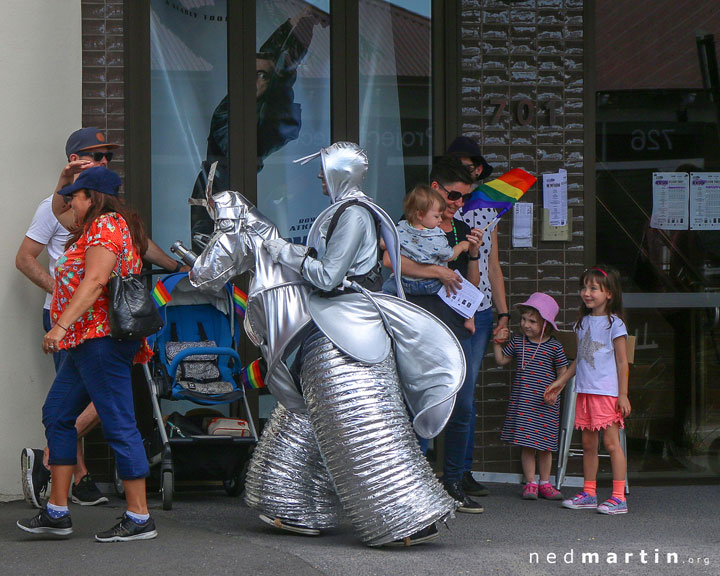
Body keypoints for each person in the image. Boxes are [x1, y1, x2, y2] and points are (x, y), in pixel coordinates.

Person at [18, 127, 185, 510]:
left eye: (74, 198)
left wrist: (59, 325)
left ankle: (138, 515)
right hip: (79, 337)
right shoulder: (88, 223)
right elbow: (56, 213)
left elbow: (94, 282)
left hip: (98, 337)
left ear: (90, 197)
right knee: (58, 413)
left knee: (117, 420)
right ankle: (57, 509)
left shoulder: (106, 227)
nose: (68, 205)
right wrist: (65, 180)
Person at [384, 157, 486, 513]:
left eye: (464, 199)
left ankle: (453, 481)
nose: (459, 204)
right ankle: (413, 481)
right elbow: (390, 262)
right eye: (455, 196)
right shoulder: (411, 224)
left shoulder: (459, 230)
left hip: (453, 315)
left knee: (461, 401)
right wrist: (437, 272)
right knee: (414, 396)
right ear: (438, 190)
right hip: (415, 312)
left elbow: (471, 284)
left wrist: (473, 253)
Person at [449, 136, 510, 500]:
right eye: (464, 163)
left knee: (468, 392)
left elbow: (493, 265)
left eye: (476, 166)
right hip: (450, 307)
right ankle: (438, 470)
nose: (471, 169)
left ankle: (462, 471)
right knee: (449, 392)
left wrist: (503, 313)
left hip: (483, 309)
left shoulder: (489, 210)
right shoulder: (442, 206)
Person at [544, 265, 631, 515]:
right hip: (584, 391)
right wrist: (560, 383)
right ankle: (589, 492)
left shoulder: (615, 324)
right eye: (584, 287)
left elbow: (623, 361)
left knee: (612, 444)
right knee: (588, 444)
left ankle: (618, 497)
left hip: (607, 393)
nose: (587, 292)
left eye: (594, 288)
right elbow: (580, 360)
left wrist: (623, 394)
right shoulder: (581, 323)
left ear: (610, 294)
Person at [493, 293, 568, 500]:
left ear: (546, 324)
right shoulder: (518, 342)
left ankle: (545, 483)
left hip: (546, 403)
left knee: (545, 446)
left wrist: (556, 390)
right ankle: (530, 483)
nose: (526, 325)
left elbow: (563, 373)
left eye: (533, 321)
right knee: (527, 444)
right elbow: (501, 360)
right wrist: (497, 342)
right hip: (524, 402)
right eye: (524, 319)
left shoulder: (554, 346)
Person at [383, 184, 475, 334]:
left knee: (388, 288)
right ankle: (469, 317)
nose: (439, 220)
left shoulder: (401, 228)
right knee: (457, 288)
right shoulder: (436, 236)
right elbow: (450, 255)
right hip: (430, 286)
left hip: (405, 283)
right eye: (437, 216)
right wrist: (463, 246)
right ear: (420, 215)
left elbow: (385, 244)